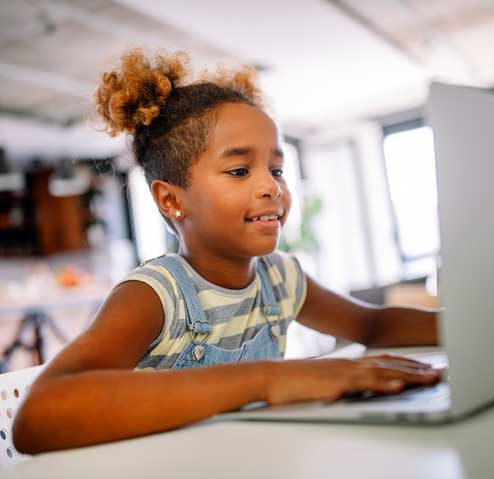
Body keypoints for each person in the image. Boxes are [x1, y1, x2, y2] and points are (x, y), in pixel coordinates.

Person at [13, 50, 442, 454]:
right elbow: (37, 417)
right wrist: (266, 379)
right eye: (240, 170)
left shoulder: (279, 279)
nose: (272, 186)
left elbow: (371, 323)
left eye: (276, 169)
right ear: (170, 200)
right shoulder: (155, 295)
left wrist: (478, 328)